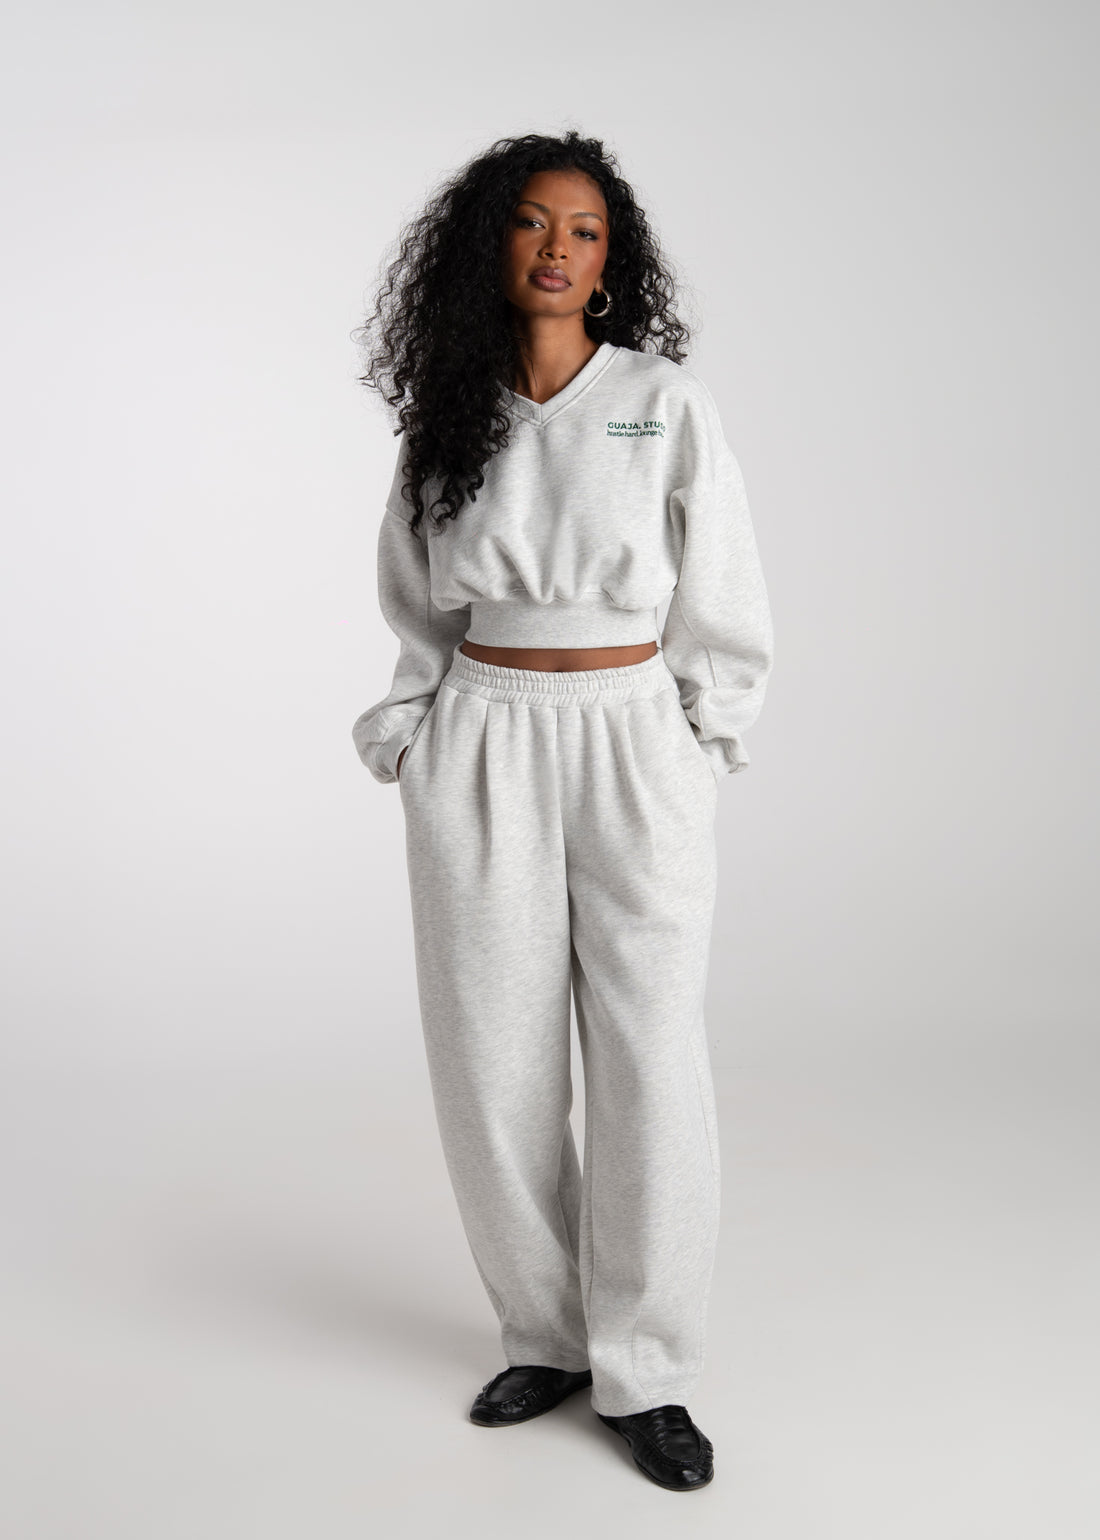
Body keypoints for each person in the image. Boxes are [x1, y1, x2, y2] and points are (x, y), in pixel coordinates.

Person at [350, 129, 774, 1493]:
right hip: (482, 739)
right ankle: (545, 1334)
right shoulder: (448, 415)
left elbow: (723, 582)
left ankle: (646, 1366)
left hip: (632, 735)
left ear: (610, 263)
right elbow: (417, 600)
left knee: (651, 1052)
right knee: (492, 1053)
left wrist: (704, 737)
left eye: (584, 230)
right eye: (533, 222)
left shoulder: (662, 401)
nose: (556, 247)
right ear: (493, 244)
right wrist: (415, 729)